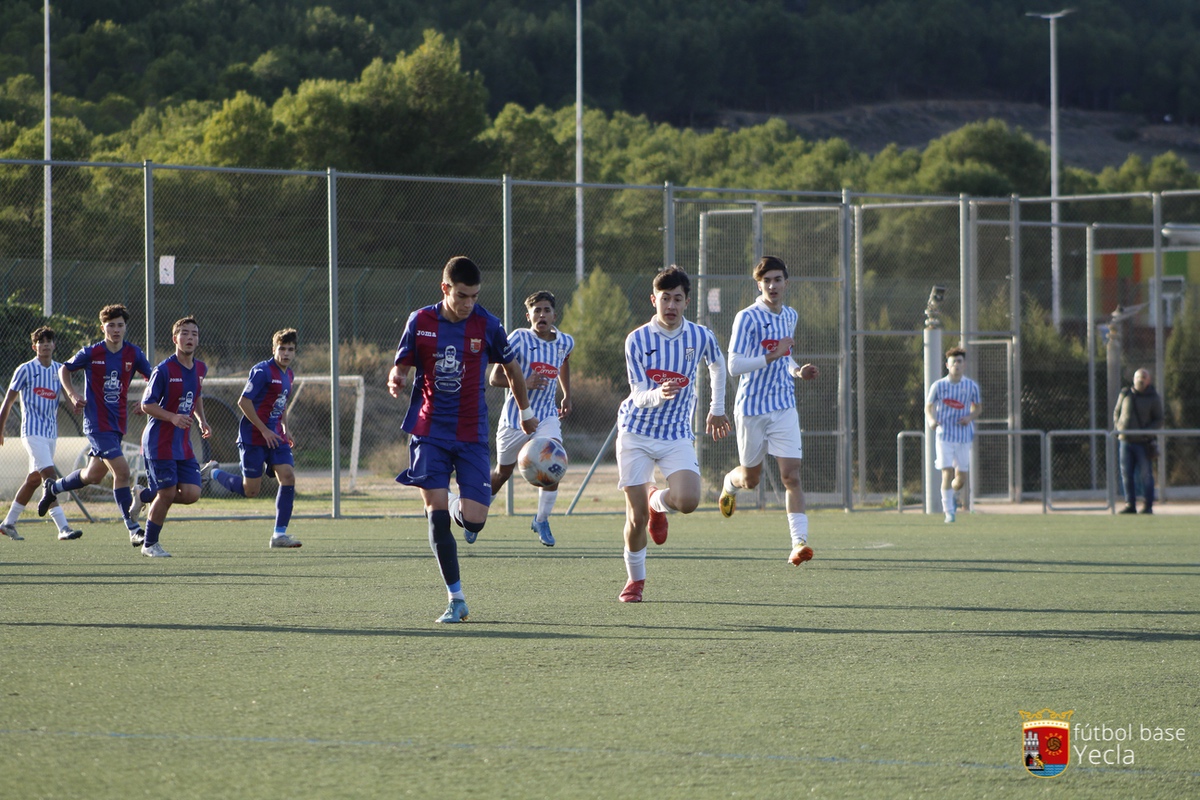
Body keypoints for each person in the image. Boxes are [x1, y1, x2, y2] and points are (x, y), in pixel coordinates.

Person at [389, 256, 538, 623]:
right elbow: (402, 362)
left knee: (474, 521)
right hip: (429, 432)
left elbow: (512, 370)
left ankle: (455, 502)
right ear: (445, 289)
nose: (468, 303)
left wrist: (525, 411)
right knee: (437, 519)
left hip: (471, 434)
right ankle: (456, 599)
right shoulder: (420, 321)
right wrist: (397, 376)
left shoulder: (488, 324)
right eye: (461, 295)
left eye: (474, 296)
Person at [616, 265, 730, 603]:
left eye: (677, 299)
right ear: (654, 300)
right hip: (636, 432)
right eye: (665, 298)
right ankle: (635, 581)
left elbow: (718, 365)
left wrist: (717, 407)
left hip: (676, 433)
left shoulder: (700, 335)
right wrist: (658, 394)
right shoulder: (637, 339)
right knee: (635, 518)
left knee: (689, 501)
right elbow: (638, 393)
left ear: (687, 302)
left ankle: (657, 501)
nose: (671, 305)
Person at [717, 256, 819, 567]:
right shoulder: (747, 318)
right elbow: (734, 366)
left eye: (777, 279)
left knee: (791, 476)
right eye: (766, 281)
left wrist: (797, 371)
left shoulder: (790, 315)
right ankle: (729, 483)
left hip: (784, 406)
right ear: (758, 284)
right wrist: (772, 355)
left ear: (786, 283)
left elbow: (786, 358)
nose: (772, 285)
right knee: (751, 480)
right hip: (752, 408)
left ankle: (799, 543)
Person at [37, 304, 153, 545]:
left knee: (93, 475)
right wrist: (72, 394)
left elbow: (153, 378)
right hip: (96, 424)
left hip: (117, 424)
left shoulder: (133, 354)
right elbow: (64, 370)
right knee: (122, 472)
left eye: (120, 325)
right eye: (111, 326)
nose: (116, 330)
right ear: (102, 328)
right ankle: (133, 529)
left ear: (125, 327)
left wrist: (145, 401)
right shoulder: (91, 352)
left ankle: (53, 488)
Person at [487, 290, 573, 547]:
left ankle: (541, 519)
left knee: (554, 460)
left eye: (546, 310)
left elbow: (564, 361)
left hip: (546, 416)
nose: (541, 315)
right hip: (515, 419)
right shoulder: (518, 338)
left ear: (554, 315)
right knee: (502, 473)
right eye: (536, 311)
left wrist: (566, 394)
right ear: (528, 316)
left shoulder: (565, 342)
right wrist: (525, 382)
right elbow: (495, 378)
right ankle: (476, 514)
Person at [208, 329, 303, 548]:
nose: (286, 353)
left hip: (275, 436)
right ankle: (212, 472)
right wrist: (264, 430)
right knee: (251, 490)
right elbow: (244, 402)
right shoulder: (262, 371)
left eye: (290, 349)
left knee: (288, 477)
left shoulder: (289, 374)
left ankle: (279, 535)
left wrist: (285, 428)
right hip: (253, 436)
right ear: (273, 349)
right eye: (282, 349)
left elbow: (281, 402)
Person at [135, 317, 212, 557]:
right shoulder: (164, 370)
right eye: (185, 333)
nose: (190, 338)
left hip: (182, 443)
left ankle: (144, 495)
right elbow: (146, 404)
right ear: (175, 339)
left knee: (191, 493)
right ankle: (149, 544)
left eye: (194, 334)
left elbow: (196, 394)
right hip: (159, 442)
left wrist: (201, 420)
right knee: (167, 493)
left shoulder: (201, 368)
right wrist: (172, 417)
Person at [0, 327, 83, 542]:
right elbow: (8, 401)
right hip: (32, 432)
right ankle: (63, 527)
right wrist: (0, 429)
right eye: (40, 341)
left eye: (49, 341)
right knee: (49, 477)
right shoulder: (25, 369)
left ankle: (8, 523)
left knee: (34, 480)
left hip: (50, 434)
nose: (45, 344)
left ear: (54, 345)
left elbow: (69, 397)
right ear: (34, 346)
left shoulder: (59, 370)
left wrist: (78, 404)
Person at [924, 346, 982, 523]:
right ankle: (949, 511)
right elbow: (928, 407)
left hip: (963, 437)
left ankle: (953, 494)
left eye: (959, 361)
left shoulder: (971, 386)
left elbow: (978, 408)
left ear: (964, 365)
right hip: (944, 436)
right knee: (946, 472)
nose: (956, 364)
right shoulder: (939, 386)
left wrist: (969, 417)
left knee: (960, 479)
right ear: (947, 365)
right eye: (953, 362)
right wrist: (931, 421)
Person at [1113, 367, 1163, 515]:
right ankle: (1130, 504)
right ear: (1133, 379)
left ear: (1149, 380)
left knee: (1146, 474)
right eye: (1138, 378)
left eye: (1143, 378)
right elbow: (1117, 412)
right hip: (1125, 441)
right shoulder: (1125, 393)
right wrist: (1118, 427)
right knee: (1126, 474)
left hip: (1142, 442)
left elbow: (1159, 419)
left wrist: (1146, 432)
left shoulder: (1153, 397)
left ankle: (1148, 505)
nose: (1140, 380)